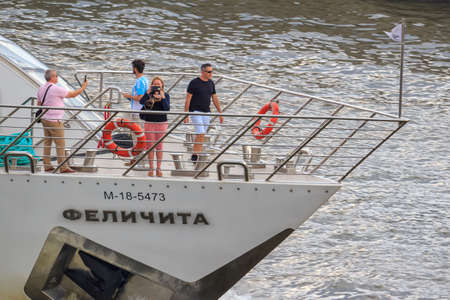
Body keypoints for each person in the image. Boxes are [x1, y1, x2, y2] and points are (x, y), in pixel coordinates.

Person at [37, 69, 88, 173]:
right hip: (55, 120)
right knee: (60, 144)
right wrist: (83, 87)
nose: (57, 78)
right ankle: (63, 167)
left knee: (47, 142)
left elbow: (39, 103)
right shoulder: (55, 88)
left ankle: (47, 165)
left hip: (45, 119)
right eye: (56, 76)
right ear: (52, 78)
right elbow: (72, 95)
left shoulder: (41, 88)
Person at [184, 63, 223, 163]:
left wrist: (220, 113)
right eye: (209, 72)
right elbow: (188, 98)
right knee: (200, 132)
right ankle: (196, 155)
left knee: (201, 134)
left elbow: (214, 98)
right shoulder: (194, 82)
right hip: (195, 111)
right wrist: (186, 114)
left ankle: (196, 153)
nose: (211, 74)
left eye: (212, 71)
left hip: (206, 112)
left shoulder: (211, 83)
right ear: (202, 71)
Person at [139, 77, 170, 177]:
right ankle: (151, 168)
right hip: (149, 122)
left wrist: (162, 96)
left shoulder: (166, 95)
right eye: (155, 84)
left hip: (162, 123)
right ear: (151, 85)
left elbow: (167, 108)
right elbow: (141, 102)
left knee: (159, 146)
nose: (157, 86)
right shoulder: (149, 95)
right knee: (150, 146)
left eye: (159, 84)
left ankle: (159, 168)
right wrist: (147, 93)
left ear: (162, 86)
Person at [122, 59, 149, 166]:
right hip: (140, 111)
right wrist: (131, 98)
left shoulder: (139, 81)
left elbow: (140, 97)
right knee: (139, 135)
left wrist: (128, 96)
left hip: (138, 113)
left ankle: (139, 159)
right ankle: (137, 158)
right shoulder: (145, 80)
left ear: (135, 69)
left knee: (137, 136)